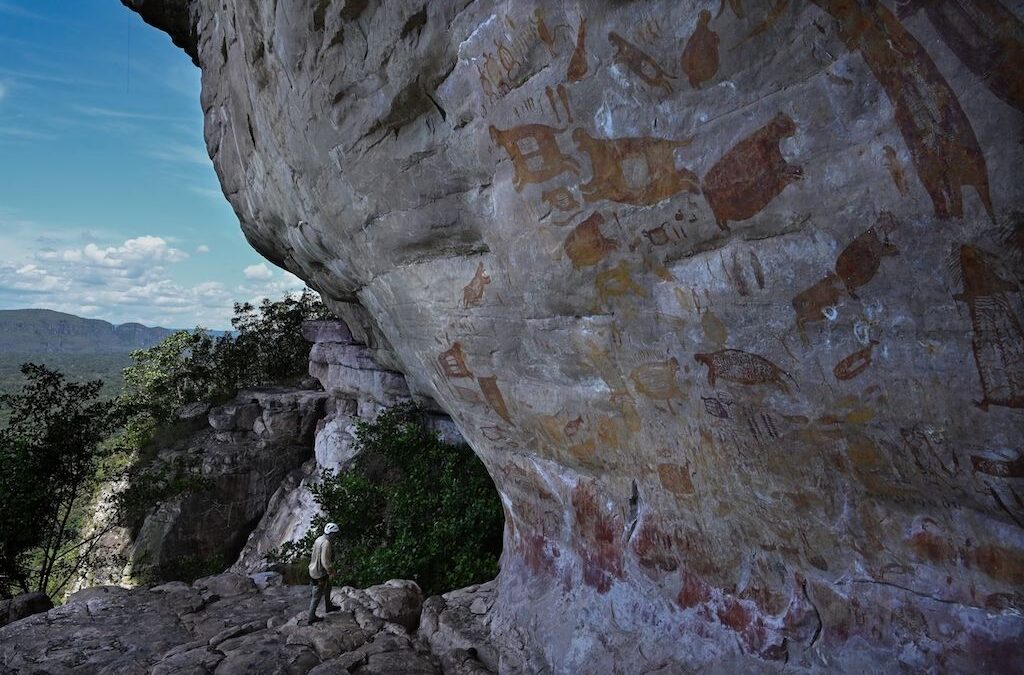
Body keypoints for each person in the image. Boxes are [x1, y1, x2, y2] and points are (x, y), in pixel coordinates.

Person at [307, 522, 340, 623]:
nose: (336, 536)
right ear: (331, 533)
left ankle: (328, 606)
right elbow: (325, 561)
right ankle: (311, 617)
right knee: (316, 596)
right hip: (319, 573)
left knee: (328, 587)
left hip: (313, 569)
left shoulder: (319, 539)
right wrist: (331, 572)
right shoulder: (326, 543)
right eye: (335, 534)